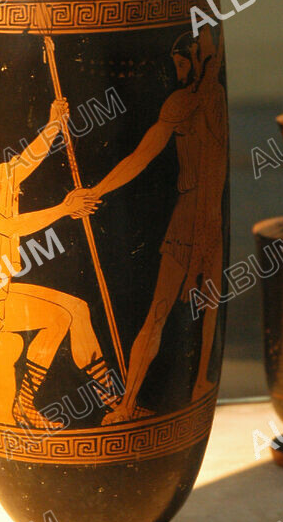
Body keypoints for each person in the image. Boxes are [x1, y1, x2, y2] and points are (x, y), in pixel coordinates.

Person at [0, 100, 117, 428]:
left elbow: (22, 165)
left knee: (77, 307)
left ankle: (114, 400)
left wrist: (54, 126)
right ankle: (29, 403)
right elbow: (8, 227)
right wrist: (63, 209)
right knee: (61, 317)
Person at [90, 24, 227, 423]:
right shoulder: (180, 104)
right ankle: (129, 403)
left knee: (210, 306)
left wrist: (207, 56)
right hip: (189, 217)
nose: (177, 67)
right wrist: (99, 189)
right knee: (159, 312)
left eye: (182, 60)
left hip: (210, 216)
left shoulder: (210, 98)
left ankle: (200, 382)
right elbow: (141, 157)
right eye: (176, 61)